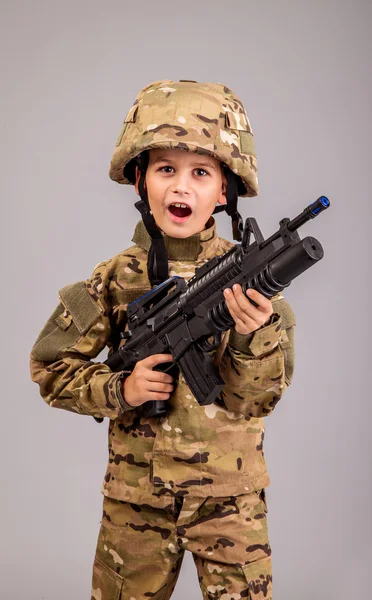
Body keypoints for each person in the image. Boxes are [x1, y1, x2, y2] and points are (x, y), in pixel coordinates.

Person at [30, 80, 296, 600]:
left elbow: (256, 401)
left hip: (229, 501)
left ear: (225, 191)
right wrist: (120, 390)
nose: (181, 187)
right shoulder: (112, 278)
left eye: (201, 173)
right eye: (165, 169)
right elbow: (51, 368)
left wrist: (251, 335)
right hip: (136, 502)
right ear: (139, 181)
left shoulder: (254, 287)